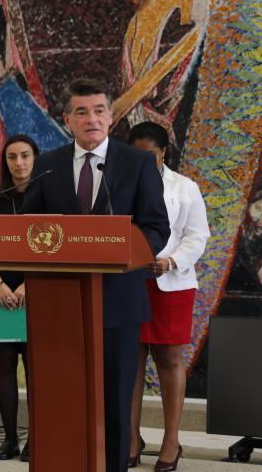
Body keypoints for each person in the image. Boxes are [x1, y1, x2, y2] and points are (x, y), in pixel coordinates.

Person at [21, 78, 170, 472]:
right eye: (82, 112)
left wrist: (128, 253)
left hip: (118, 302)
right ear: (67, 119)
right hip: (60, 304)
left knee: (116, 401)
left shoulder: (136, 162)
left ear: (111, 116)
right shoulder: (48, 164)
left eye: (100, 110)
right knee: (64, 397)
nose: (92, 119)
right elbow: (29, 229)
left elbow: (157, 227)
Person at [127, 122, 209, 471]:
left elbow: (197, 236)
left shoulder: (185, 187)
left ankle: (171, 440)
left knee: (169, 361)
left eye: (151, 155)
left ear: (164, 153)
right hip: (130, 282)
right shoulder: (121, 184)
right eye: (136, 155)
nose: (143, 162)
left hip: (171, 284)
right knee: (130, 363)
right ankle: (130, 438)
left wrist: (170, 261)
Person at [0, 133, 39, 461]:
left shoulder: (47, 197)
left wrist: (28, 285)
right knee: (4, 363)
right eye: (12, 157)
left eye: (25, 156)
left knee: (36, 367)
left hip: (37, 289)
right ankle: (10, 438)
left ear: (35, 158)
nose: (19, 163)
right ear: (5, 162)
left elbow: (55, 246)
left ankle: (36, 440)